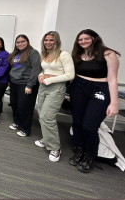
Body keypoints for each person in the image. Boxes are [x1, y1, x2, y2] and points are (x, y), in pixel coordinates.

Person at [69, 29, 120, 173]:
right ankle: (79, 150)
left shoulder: (108, 54)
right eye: (80, 39)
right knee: (77, 122)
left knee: (89, 125)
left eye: (86, 38)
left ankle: (91, 156)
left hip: (100, 89)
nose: (83, 41)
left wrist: (114, 103)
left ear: (94, 38)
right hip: (78, 88)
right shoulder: (78, 54)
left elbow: (113, 79)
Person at [35, 31, 75, 162]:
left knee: (47, 117)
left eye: (51, 40)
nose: (48, 42)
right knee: (41, 114)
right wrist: (41, 75)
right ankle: (46, 138)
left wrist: (49, 79)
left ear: (56, 41)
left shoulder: (64, 55)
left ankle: (55, 147)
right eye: (46, 40)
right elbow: (43, 69)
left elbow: (70, 75)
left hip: (56, 88)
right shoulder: (45, 54)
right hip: (43, 87)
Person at [7, 34, 41, 137]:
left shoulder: (33, 53)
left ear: (27, 42)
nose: (20, 44)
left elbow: (36, 70)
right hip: (14, 83)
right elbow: (12, 68)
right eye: (18, 42)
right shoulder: (15, 54)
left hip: (25, 84)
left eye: (22, 41)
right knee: (14, 104)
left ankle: (25, 129)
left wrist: (30, 85)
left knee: (25, 107)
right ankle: (17, 122)